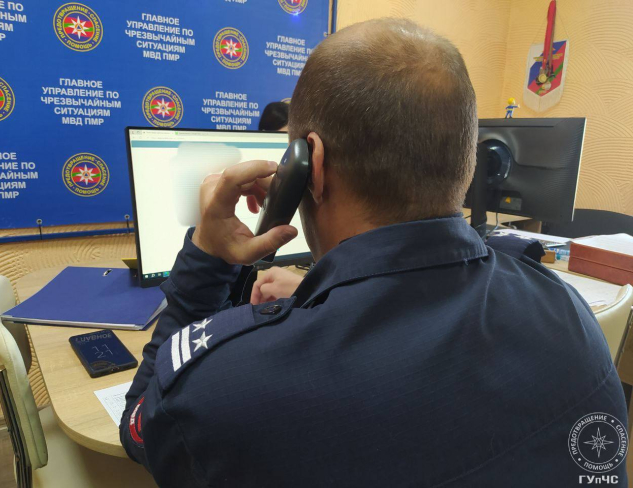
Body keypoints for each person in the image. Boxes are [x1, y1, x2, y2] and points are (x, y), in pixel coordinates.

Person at [120, 18, 628, 487]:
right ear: (465, 159)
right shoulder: (569, 312)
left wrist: (207, 261)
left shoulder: (224, 387)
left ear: (310, 167)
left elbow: (143, 423)